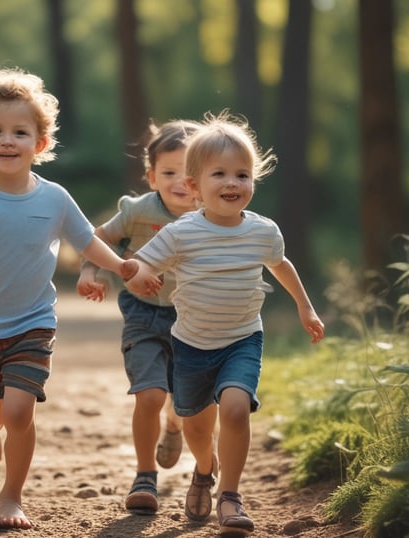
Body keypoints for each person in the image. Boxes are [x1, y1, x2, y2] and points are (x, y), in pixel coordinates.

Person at [0, 66, 158, 531]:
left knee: (18, 410)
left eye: (19, 132)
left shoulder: (55, 198)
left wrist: (121, 266)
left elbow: (86, 241)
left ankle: (11, 496)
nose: (7, 140)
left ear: (40, 144)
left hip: (33, 323)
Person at [125, 111, 325, 535]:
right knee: (198, 428)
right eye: (220, 174)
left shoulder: (263, 232)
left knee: (235, 408)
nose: (233, 183)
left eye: (243, 175)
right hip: (192, 345)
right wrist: (138, 273)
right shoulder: (182, 233)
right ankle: (203, 469)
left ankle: (229, 496)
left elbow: (281, 265)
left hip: (242, 339)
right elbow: (141, 262)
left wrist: (305, 308)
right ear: (195, 186)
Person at [76, 119, 202, 514]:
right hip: (143, 313)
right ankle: (145, 474)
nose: (180, 182)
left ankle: (176, 425)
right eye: (169, 173)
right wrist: (89, 271)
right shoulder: (137, 212)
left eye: (190, 173)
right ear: (151, 177)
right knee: (149, 393)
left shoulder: (215, 215)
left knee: (184, 402)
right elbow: (96, 239)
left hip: (196, 320)